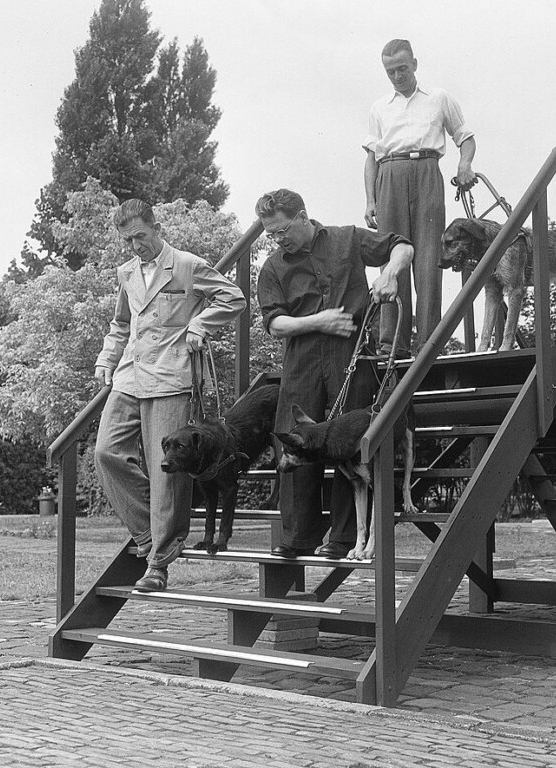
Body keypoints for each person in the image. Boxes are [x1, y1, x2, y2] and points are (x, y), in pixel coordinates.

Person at [94, 199, 245, 592]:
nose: (135, 246)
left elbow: (234, 297)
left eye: (140, 236)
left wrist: (199, 324)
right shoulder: (126, 272)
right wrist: (107, 358)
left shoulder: (188, 265)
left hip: (171, 376)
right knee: (106, 452)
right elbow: (120, 323)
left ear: (156, 227)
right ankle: (151, 533)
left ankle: (158, 564)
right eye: (127, 240)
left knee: (167, 473)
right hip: (130, 374)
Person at [255, 189, 414, 559]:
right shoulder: (273, 267)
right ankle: (298, 537)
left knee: (348, 441)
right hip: (301, 357)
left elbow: (402, 245)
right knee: (294, 440)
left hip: (352, 353)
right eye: (270, 235)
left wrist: (390, 273)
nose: (277, 240)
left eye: (281, 231)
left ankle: (343, 539)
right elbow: (275, 323)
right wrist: (318, 321)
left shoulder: (348, 238)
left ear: (303, 216)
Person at [363, 38, 477, 357]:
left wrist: (464, 164)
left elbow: (465, 138)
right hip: (390, 174)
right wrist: (370, 200)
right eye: (390, 72)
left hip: (427, 170)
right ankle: (392, 345)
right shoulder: (379, 108)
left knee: (429, 257)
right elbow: (371, 158)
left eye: (402, 68)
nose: (397, 76)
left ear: (415, 63)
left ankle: (428, 343)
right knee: (391, 258)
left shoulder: (439, 98)